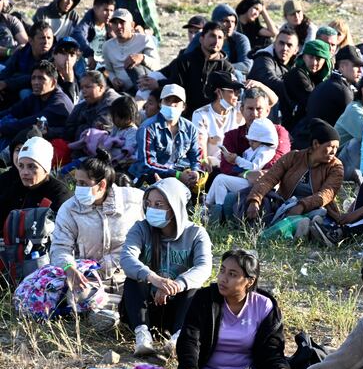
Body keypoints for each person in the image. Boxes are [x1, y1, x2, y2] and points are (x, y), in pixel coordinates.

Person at [176, 248, 290, 369]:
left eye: (232, 274)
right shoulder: (204, 299)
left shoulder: (264, 305)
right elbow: (190, 339)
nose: (223, 278)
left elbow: (272, 349)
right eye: (222, 271)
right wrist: (189, 367)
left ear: (249, 281)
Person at [120, 177, 212, 356]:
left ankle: (178, 339)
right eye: (149, 203)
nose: (152, 209)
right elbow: (126, 258)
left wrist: (176, 284)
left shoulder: (196, 233)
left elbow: (204, 267)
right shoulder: (140, 229)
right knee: (133, 280)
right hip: (146, 306)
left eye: (159, 204)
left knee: (195, 291)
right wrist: (154, 278)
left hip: (177, 309)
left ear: (175, 207)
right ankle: (142, 335)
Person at [51, 150, 144, 304]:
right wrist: (69, 268)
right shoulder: (70, 209)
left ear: (101, 185)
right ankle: (113, 308)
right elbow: (60, 247)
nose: (77, 189)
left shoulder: (134, 200)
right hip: (89, 280)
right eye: (77, 183)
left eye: (83, 184)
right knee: (79, 298)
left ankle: (118, 308)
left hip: (130, 277)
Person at [245, 119, 343, 222]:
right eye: (331, 146)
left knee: (318, 216)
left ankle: (308, 226)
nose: (334, 151)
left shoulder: (336, 167)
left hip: (315, 208)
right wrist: (254, 200)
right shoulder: (293, 157)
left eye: (336, 147)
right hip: (287, 206)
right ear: (315, 144)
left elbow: (327, 193)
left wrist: (302, 206)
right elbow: (269, 178)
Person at [139, 22, 235, 115]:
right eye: (212, 36)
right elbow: (176, 86)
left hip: (214, 116)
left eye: (220, 38)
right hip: (186, 114)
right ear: (201, 39)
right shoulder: (185, 61)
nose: (216, 41)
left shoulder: (226, 68)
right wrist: (158, 84)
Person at [129, 84, 202, 190]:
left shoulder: (190, 128)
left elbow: (196, 157)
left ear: (183, 107)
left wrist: (195, 171)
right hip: (146, 179)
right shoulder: (148, 127)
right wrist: (177, 175)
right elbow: (147, 163)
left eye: (176, 102)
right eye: (168, 101)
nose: (172, 105)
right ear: (160, 103)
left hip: (175, 178)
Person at [297, 45, 363, 148]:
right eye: (356, 66)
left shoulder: (332, 83)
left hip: (312, 144)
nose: (360, 71)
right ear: (342, 66)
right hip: (319, 149)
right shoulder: (342, 90)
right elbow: (359, 126)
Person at [0, 135, 71, 233]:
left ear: (45, 168)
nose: (24, 172)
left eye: (31, 166)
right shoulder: (14, 186)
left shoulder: (60, 194)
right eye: (21, 166)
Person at [206, 118, 278, 208]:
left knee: (221, 179)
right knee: (219, 179)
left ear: (265, 140)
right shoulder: (252, 149)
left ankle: (219, 209)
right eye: (250, 140)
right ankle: (208, 206)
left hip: (254, 185)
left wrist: (236, 159)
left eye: (254, 141)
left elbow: (254, 167)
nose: (250, 143)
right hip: (246, 179)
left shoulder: (266, 151)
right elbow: (244, 166)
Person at [219, 87, 289, 176]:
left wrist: (258, 174)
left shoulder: (279, 132)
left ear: (267, 111)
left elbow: (280, 161)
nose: (255, 114)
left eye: (259, 109)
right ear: (242, 110)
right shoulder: (232, 136)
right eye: (250, 109)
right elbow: (226, 167)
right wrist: (247, 175)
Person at [0, 60, 74, 142]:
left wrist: (2, 130)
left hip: (58, 144)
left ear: (53, 82)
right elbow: (13, 110)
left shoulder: (59, 102)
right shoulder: (37, 96)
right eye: (33, 78)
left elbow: (34, 122)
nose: (36, 82)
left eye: (41, 78)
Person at [191, 70, 244, 171]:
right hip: (213, 167)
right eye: (233, 91)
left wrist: (259, 86)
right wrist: (204, 162)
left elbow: (271, 102)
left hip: (238, 164)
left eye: (238, 91)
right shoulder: (201, 114)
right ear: (219, 92)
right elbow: (200, 146)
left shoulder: (240, 108)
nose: (237, 95)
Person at [103, 9, 160, 95]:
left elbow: (157, 66)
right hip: (120, 89)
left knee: (133, 66)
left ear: (132, 25)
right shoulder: (107, 46)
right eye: (115, 23)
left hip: (142, 86)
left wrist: (142, 58)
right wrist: (113, 79)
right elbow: (109, 70)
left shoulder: (144, 40)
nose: (118, 26)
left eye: (122, 22)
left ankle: (142, 98)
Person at [281, 39, 331, 133]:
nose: (314, 62)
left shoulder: (319, 78)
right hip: (293, 128)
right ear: (304, 57)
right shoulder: (297, 74)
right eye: (311, 57)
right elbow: (313, 102)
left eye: (319, 59)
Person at [0, 22, 54, 106]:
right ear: (31, 40)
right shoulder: (22, 52)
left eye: (49, 38)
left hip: (38, 94)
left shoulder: (54, 56)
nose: (46, 42)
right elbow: (8, 71)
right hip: (15, 84)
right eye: (42, 38)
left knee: (25, 92)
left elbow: (33, 78)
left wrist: (7, 83)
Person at [247, 26, 298, 106]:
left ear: (296, 50)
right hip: (258, 108)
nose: (284, 48)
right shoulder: (263, 59)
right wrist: (297, 87)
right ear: (274, 44)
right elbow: (270, 81)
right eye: (281, 43)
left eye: (289, 45)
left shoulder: (296, 65)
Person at [65, 70, 120, 140]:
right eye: (82, 88)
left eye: (87, 87)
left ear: (100, 87)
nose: (84, 91)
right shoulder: (84, 104)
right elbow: (68, 130)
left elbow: (94, 134)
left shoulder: (111, 103)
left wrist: (80, 127)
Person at [71, 0, 116, 70]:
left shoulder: (113, 25)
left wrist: (113, 35)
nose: (109, 14)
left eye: (111, 10)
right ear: (95, 9)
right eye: (105, 10)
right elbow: (78, 34)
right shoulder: (87, 23)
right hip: (90, 64)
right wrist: (89, 54)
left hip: (108, 65)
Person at [107, 94, 139, 168]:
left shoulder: (133, 131)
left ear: (128, 118)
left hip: (120, 163)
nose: (114, 120)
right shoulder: (117, 127)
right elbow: (110, 138)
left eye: (117, 117)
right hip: (110, 158)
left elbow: (126, 152)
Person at [0, 0, 29, 65]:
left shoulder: (11, 20)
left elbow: (26, 44)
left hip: (11, 65)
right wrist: (10, 51)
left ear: (4, 2)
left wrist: (22, 48)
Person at [51, 37, 82, 104]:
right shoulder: (46, 74)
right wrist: (69, 82)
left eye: (72, 55)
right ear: (54, 54)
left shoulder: (78, 78)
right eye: (63, 53)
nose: (68, 58)